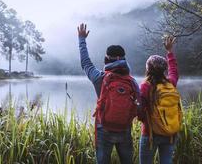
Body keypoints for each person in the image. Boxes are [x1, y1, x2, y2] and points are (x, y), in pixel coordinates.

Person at [77, 23, 139, 164]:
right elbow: (139, 103)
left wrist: (82, 40)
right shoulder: (131, 81)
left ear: (107, 58)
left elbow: (85, 63)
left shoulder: (100, 77)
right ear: (123, 59)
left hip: (103, 127)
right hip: (124, 127)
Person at [138, 35, 181, 164]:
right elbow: (174, 72)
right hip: (170, 132)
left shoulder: (146, 86)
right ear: (163, 69)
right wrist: (170, 52)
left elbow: (140, 109)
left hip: (150, 133)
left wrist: (142, 119)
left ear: (148, 69)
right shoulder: (170, 83)